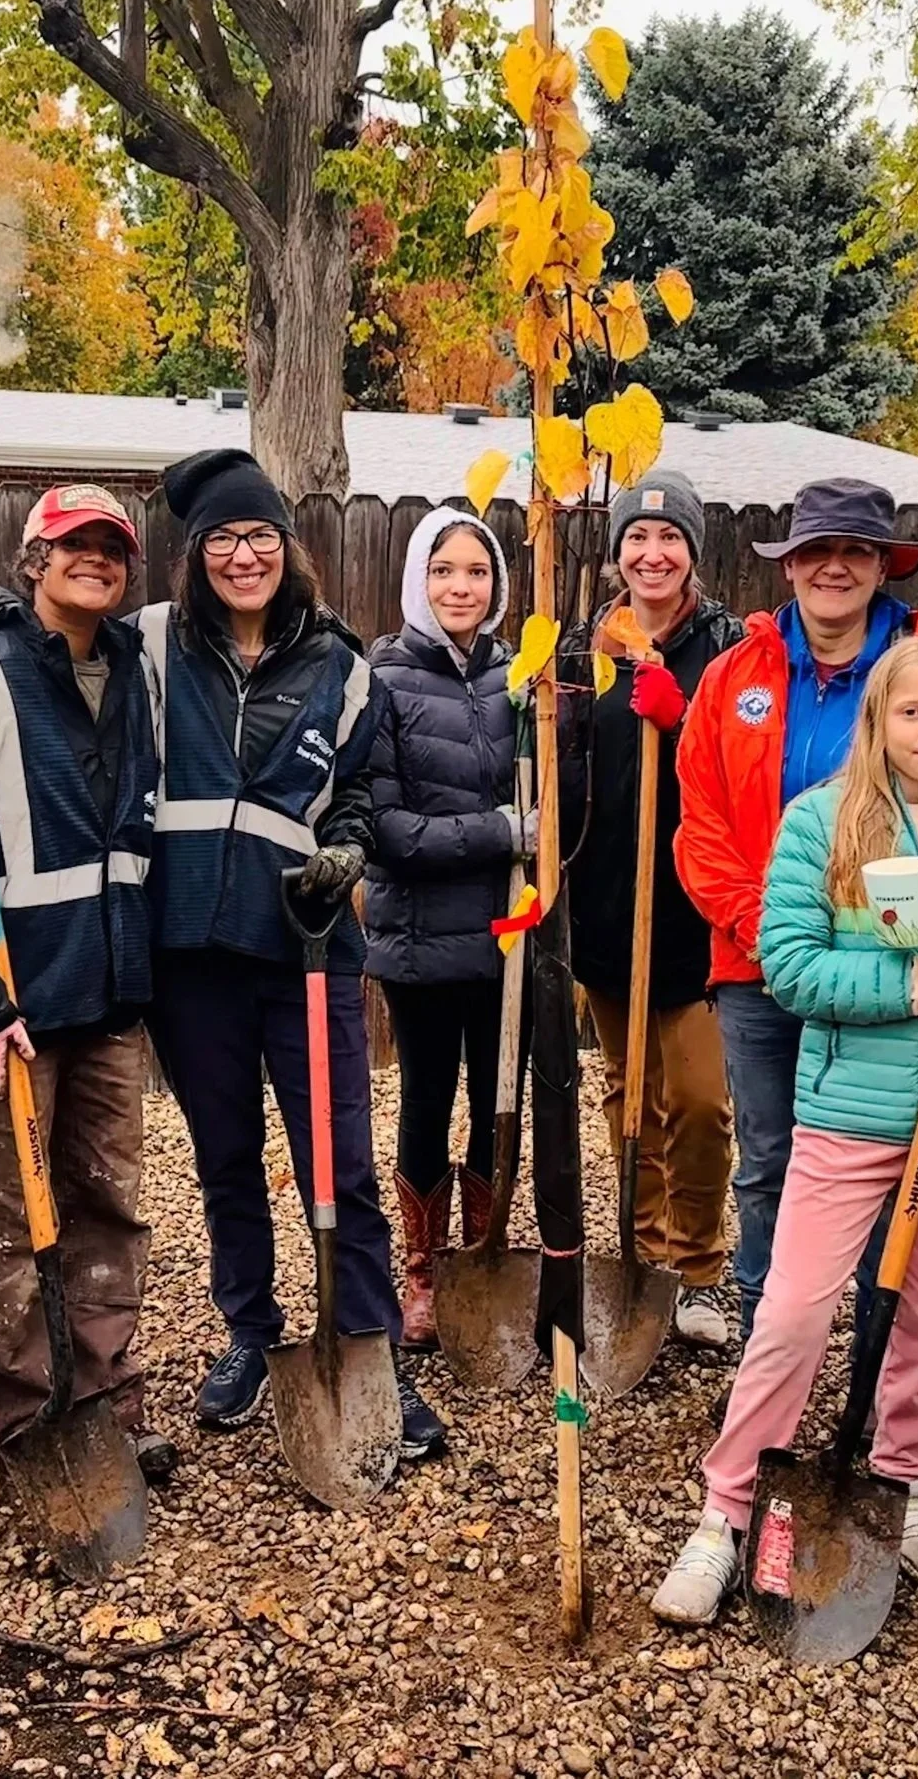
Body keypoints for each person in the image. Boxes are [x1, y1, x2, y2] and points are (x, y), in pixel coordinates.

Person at [651, 641, 918, 1623]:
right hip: (849, 1117)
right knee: (795, 1311)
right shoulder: (823, 825)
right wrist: (913, 985)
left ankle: (899, 1482)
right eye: (911, 713)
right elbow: (788, 965)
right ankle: (725, 1512)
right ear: (878, 723)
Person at [137, 447, 448, 1459]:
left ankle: (365, 1346)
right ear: (195, 555)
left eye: (258, 536)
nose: (241, 555)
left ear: (287, 547)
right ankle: (250, 1331)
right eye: (222, 538)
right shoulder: (151, 649)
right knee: (224, 1158)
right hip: (187, 953)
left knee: (339, 1162)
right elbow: (51, 653)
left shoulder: (343, 667)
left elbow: (359, 787)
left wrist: (348, 845)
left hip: (306, 954)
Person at [0, 485, 176, 1488]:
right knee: (13, 1216)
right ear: (33, 561)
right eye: (74, 546)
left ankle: (108, 1396)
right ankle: (22, 1410)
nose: (96, 562)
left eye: (112, 549)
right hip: (11, 1004)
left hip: (111, 990)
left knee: (110, 1205)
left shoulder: (133, 674)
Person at [674, 477, 918, 1340]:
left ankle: (873, 1351)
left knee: (883, 1162)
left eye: (855, 551)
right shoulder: (735, 678)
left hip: (887, 965)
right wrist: (771, 927)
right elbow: (702, 821)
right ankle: (772, 1346)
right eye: (817, 550)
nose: (834, 567)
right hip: (758, 960)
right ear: (790, 564)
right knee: (768, 1160)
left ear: (880, 565)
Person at [557, 473, 742, 1349]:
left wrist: (689, 714)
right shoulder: (589, 650)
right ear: (617, 551)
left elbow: (745, 766)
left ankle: (697, 1266)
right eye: (638, 539)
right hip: (605, 903)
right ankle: (641, 1258)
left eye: (670, 541)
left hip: (695, 909)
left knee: (700, 1100)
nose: (652, 554)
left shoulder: (729, 650)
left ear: (693, 554)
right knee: (631, 1092)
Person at [361, 504, 524, 1347]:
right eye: (443, 571)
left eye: (477, 571)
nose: (461, 586)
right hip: (420, 936)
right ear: (416, 582)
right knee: (426, 1098)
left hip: (508, 936)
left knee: (500, 1097)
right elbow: (387, 831)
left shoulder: (516, 676)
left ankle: (483, 1254)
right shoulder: (381, 678)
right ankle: (420, 1269)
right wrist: (503, 832)